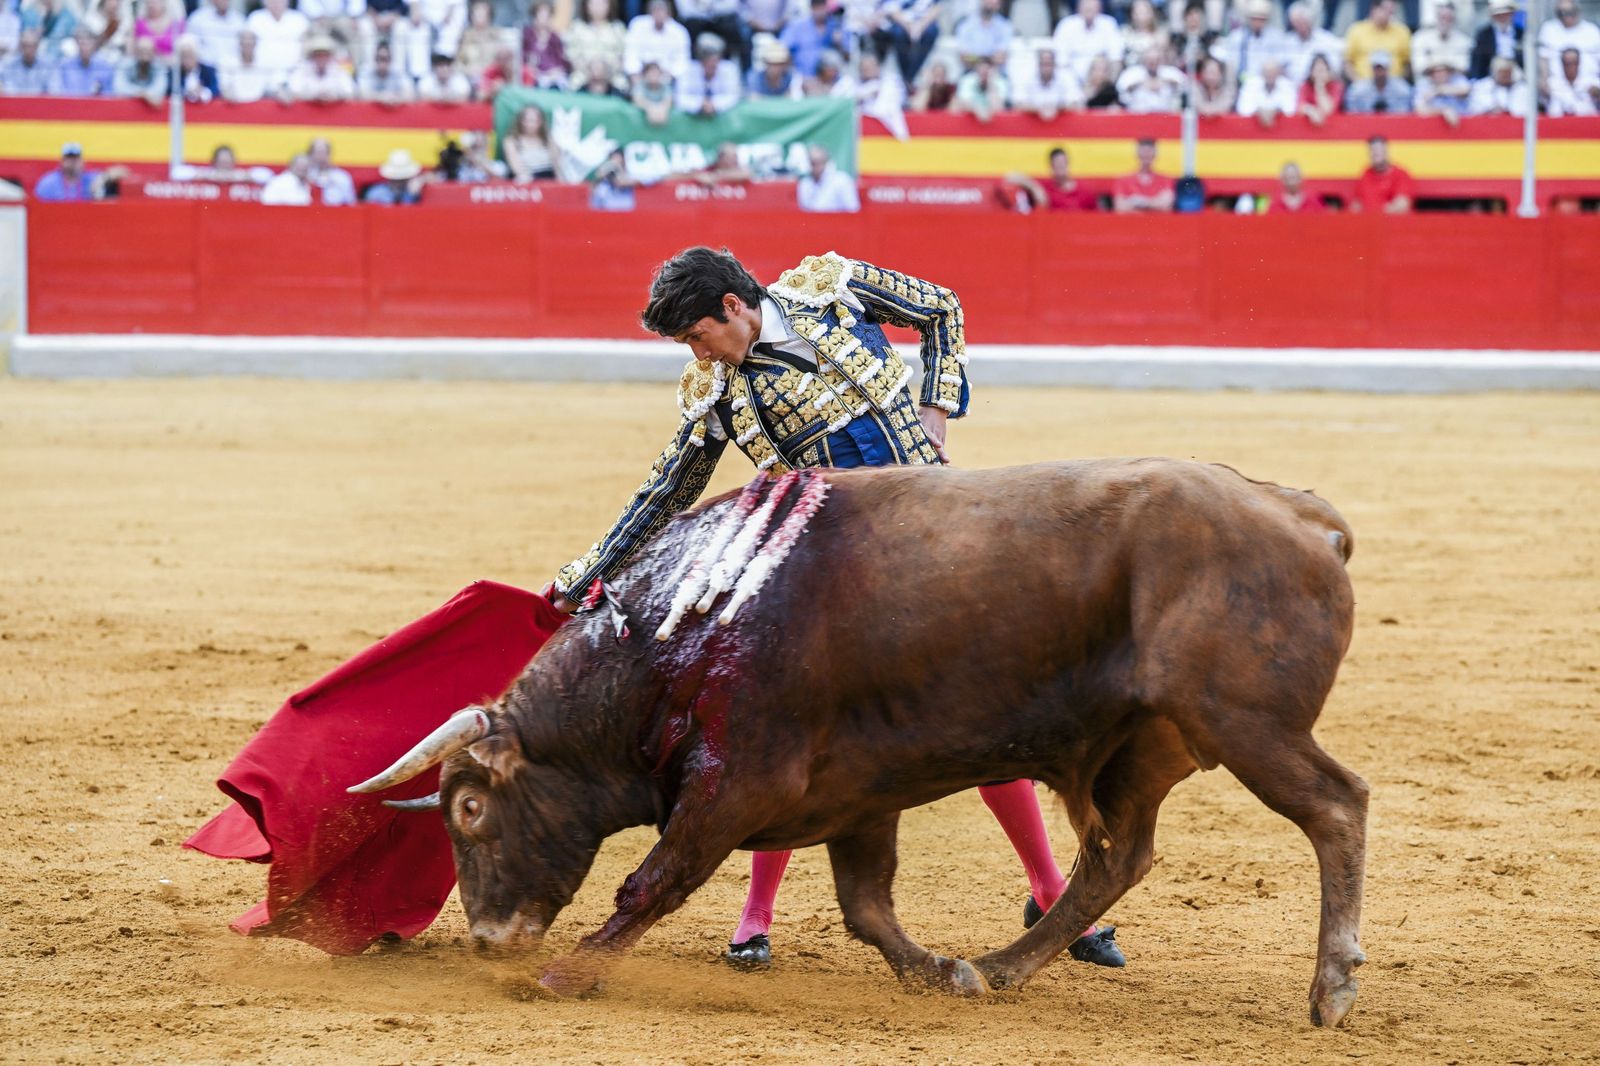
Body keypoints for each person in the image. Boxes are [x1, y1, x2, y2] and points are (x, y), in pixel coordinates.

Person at [549, 246, 1124, 972]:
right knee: (789, 733)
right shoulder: (717, 391)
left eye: (697, 335)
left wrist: (936, 409)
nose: (696, 354)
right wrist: (587, 573)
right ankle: (755, 916)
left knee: (986, 716)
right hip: (835, 578)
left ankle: (1048, 891)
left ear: (734, 306)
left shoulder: (830, 287)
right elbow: (666, 492)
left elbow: (942, 307)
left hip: (938, 543)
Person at [1007, 145, 1099, 211]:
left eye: (1063, 163)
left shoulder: (1085, 192)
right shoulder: (1046, 188)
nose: (1061, 167)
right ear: (1051, 166)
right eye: (1057, 164)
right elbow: (1011, 176)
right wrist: (1034, 188)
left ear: (1068, 163)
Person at [874, 0, 942, 85]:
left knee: (931, 33)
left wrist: (920, 26)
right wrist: (909, 27)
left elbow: (937, 7)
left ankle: (909, 78)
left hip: (924, 22)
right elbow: (890, 7)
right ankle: (906, 79)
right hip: (901, 22)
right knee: (898, 33)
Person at [621, 0, 689, 84]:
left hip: (668, 78)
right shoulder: (637, 25)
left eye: (661, 11)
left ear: (668, 13)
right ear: (650, 12)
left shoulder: (679, 32)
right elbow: (631, 53)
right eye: (656, 11)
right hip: (641, 75)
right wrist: (635, 74)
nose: (659, 15)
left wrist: (668, 77)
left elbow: (682, 60)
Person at [245, 0, 310, 87]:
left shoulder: (299, 19)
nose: (276, 3)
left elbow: (306, 45)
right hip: (262, 74)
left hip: (294, 74)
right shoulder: (255, 18)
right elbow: (247, 46)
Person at [34, 141, 126, 200]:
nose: (73, 162)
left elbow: (122, 171)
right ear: (62, 161)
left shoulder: (90, 179)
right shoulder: (48, 183)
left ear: (82, 161)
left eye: (76, 158)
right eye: (69, 158)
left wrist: (103, 178)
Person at [1053, 0, 1120, 82]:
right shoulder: (1066, 24)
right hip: (1071, 73)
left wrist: (1110, 82)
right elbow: (1061, 57)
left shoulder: (1109, 23)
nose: (1089, 9)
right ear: (1078, 8)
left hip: (1102, 72)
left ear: (1100, 8)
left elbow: (1116, 56)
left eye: (1092, 7)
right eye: (1086, 7)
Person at [1346, 0, 1411, 82]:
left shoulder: (1402, 31)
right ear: (1374, 9)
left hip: (1393, 83)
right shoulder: (1356, 30)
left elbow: (1407, 63)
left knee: (1405, 91)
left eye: (1391, 12)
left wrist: (1400, 81)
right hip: (1363, 82)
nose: (1389, 15)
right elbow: (1347, 62)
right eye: (1386, 10)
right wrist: (1357, 81)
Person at [1280, 1, 1342, 85]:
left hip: (1317, 86)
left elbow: (1335, 68)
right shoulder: (1286, 41)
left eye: (1302, 21)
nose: (1299, 25)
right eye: (1296, 22)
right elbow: (1279, 66)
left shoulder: (1327, 39)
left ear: (1310, 21)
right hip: (1290, 87)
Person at [563, 0, 626, 84]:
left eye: (602, 3)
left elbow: (623, 57)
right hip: (583, 75)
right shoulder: (577, 27)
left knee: (622, 85)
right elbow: (570, 55)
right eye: (593, 3)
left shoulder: (618, 29)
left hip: (611, 76)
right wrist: (590, 69)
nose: (597, 8)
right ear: (586, 5)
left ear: (610, 5)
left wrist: (604, 70)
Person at [1012, 46, 1084, 118]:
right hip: (1031, 123)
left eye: (1049, 64)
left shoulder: (1066, 77)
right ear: (1038, 65)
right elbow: (1017, 104)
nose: (1046, 68)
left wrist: (1056, 108)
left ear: (1054, 64)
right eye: (1043, 64)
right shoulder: (1026, 77)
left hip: (1062, 124)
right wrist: (1038, 109)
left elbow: (1076, 103)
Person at [676, 31, 738, 113]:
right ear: (701, 60)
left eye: (717, 60)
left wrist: (715, 104)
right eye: (709, 60)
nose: (714, 64)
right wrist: (700, 104)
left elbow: (733, 96)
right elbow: (680, 97)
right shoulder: (687, 69)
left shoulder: (729, 69)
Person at [1221, 0, 1282, 85]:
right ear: (1249, 19)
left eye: (1261, 19)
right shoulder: (1237, 36)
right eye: (1254, 19)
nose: (1257, 23)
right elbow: (1229, 59)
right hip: (1240, 82)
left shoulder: (1275, 37)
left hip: (1265, 83)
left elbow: (1277, 63)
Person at [781, 0, 846, 77]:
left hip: (830, 81)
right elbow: (782, 49)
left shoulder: (835, 26)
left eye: (822, 6)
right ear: (811, 7)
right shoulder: (797, 26)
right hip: (802, 78)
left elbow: (847, 58)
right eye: (816, 6)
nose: (820, 10)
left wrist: (839, 44)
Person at [1411, 0, 1471, 83]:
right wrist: (1447, 65)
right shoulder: (1420, 38)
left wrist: (1436, 64)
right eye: (1442, 17)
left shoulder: (1464, 41)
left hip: (1454, 84)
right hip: (1428, 82)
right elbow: (1418, 67)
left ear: (1454, 20)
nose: (1445, 22)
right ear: (1436, 18)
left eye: (1449, 19)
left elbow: (1464, 67)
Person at [1352, 134, 1413, 214]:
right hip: (1367, 223)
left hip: (1391, 223)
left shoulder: (1400, 175)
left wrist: (1375, 214)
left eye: (1379, 150)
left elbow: (1402, 206)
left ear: (1386, 151)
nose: (1376, 153)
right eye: (1373, 151)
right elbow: (1356, 205)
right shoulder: (1365, 175)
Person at [1539, 0, 1599, 80]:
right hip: (1557, 87)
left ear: (1577, 11)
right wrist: (1544, 80)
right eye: (1561, 13)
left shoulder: (1592, 30)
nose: (1565, 16)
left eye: (1569, 12)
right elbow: (1543, 58)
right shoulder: (1548, 29)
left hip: (1589, 85)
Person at [1115, 43, 1183, 112]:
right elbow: (1121, 91)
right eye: (1150, 60)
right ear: (1144, 59)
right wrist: (1140, 84)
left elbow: (1184, 86)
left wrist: (1165, 81)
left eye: (1157, 60)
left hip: (1165, 115)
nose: (1153, 63)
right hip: (1137, 115)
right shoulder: (1132, 73)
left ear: (1162, 59)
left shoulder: (1170, 72)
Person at [1112, 137, 1174, 213]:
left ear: (1155, 154)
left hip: (1158, 223)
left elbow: (1166, 205)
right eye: (1143, 151)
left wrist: (1139, 202)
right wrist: (1154, 202)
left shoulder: (1165, 179)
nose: (1146, 154)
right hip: (1131, 223)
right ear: (1137, 153)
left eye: (1149, 151)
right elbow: (1120, 208)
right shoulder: (1123, 180)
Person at [288, 33, 355, 101]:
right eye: (318, 55)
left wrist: (332, 95)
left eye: (325, 55)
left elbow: (349, 91)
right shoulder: (302, 70)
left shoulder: (339, 71)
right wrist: (314, 95)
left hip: (333, 109)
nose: (321, 58)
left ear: (330, 56)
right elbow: (294, 91)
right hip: (308, 109)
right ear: (312, 56)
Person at [503, 102, 561, 180]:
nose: (530, 124)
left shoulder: (548, 139)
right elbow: (516, 168)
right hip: (528, 180)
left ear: (541, 122)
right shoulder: (511, 141)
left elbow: (557, 166)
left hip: (549, 179)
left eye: (534, 120)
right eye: (527, 120)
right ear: (521, 121)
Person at [52, 25, 116, 95]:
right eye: (82, 42)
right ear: (76, 43)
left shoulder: (105, 68)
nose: (85, 47)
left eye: (88, 42)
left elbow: (110, 95)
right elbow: (58, 93)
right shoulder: (64, 66)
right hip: (70, 105)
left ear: (94, 43)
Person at [795, 144, 859, 212]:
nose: (815, 166)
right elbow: (804, 210)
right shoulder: (805, 183)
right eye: (812, 163)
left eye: (818, 162)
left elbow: (852, 209)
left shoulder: (842, 180)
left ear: (826, 162)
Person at [1345, 48, 1412, 112]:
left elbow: (1404, 115)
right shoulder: (1357, 91)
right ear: (1372, 68)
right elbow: (1352, 114)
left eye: (1382, 68)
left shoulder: (1402, 90)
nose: (1380, 72)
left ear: (1388, 68)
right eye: (1377, 67)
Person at [186, 0, 244, 74]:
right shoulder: (197, 19)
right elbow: (190, 47)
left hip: (233, 71)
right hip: (204, 70)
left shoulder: (239, 20)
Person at [523, 0, 571, 86]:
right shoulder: (527, 35)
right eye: (540, 14)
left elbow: (562, 63)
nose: (543, 18)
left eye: (547, 15)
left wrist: (553, 73)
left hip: (552, 77)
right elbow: (523, 59)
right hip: (533, 76)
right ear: (534, 16)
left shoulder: (555, 38)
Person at [1469, 0, 1520, 81]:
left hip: (1517, 77)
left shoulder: (1520, 33)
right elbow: (1478, 62)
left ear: (1511, 14)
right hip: (1490, 77)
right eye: (1498, 15)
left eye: (1505, 14)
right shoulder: (1484, 35)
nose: (1502, 17)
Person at [220, 29, 276, 102]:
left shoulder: (265, 63)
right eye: (244, 43)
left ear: (255, 44)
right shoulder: (228, 62)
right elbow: (225, 87)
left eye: (250, 43)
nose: (247, 44)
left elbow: (272, 87)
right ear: (239, 43)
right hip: (235, 106)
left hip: (258, 106)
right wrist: (228, 95)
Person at [953, 0, 1011, 70]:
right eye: (988, 1)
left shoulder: (1005, 26)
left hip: (996, 72)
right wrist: (987, 59)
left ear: (999, 5)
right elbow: (964, 56)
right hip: (971, 71)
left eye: (993, 2)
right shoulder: (966, 24)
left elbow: (1001, 58)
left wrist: (976, 58)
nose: (989, 5)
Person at [1237, 57, 1295, 125]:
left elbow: (1290, 110)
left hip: (1282, 130)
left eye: (1273, 72)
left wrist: (1275, 111)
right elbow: (1243, 109)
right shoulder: (1251, 84)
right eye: (1267, 72)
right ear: (1262, 73)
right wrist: (1260, 111)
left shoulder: (1287, 85)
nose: (1270, 75)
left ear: (1279, 73)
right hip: (1252, 129)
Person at [1414, 55, 1470, 123]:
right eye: (1435, 71)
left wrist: (1440, 90)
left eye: (1443, 70)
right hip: (1434, 126)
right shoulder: (1424, 85)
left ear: (1449, 72)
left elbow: (1466, 91)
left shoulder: (1457, 80)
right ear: (1430, 74)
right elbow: (1419, 109)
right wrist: (1443, 111)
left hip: (1465, 124)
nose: (1440, 74)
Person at [951, 53, 1008, 120]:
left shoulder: (1000, 81)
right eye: (980, 70)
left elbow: (999, 107)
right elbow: (964, 101)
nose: (983, 72)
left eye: (986, 70)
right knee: (955, 102)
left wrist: (990, 84)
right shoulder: (967, 80)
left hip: (993, 120)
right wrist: (978, 109)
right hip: (971, 116)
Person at [1547, 46, 1600, 116]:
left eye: (1573, 63)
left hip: (1586, 123)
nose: (1570, 67)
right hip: (1558, 123)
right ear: (1562, 64)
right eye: (1567, 63)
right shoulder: (1552, 84)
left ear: (1578, 63)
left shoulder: (1591, 81)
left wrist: (1596, 93)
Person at [307, 136, 356, 205]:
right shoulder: (304, 175)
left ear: (329, 154)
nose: (321, 156)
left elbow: (351, 202)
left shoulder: (341, 176)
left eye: (323, 152)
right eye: (317, 152)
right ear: (311, 154)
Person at [2, 28, 53, 92]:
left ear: (37, 46)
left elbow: (53, 91)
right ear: (20, 46)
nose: (28, 50)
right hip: (15, 101)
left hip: (41, 101)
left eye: (31, 46)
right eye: (25, 45)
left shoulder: (47, 66)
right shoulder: (9, 65)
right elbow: (9, 90)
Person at [1297, 52, 1342, 123]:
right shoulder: (1305, 86)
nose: (1320, 74)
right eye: (1317, 70)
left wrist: (1320, 87)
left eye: (1322, 70)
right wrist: (1311, 110)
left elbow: (1328, 110)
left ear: (1329, 72)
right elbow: (1300, 107)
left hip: (1333, 125)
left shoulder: (1336, 86)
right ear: (1311, 72)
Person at [630, 57, 672, 122]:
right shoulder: (640, 86)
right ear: (645, 75)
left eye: (656, 73)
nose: (654, 75)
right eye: (651, 73)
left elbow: (668, 101)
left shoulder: (665, 86)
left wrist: (661, 109)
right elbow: (638, 101)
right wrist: (651, 108)